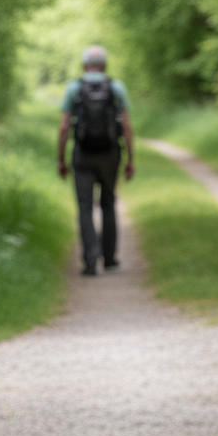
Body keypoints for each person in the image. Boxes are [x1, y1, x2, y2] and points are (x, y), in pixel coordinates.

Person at [57, 45, 135, 276]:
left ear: (84, 65)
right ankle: (109, 258)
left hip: (82, 154)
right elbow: (127, 126)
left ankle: (90, 262)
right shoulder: (116, 87)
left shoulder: (74, 88)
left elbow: (64, 127)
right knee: (108, 203)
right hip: (111, 154)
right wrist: (130, 159)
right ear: (104, 65)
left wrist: (61, 159)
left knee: (85, 207)